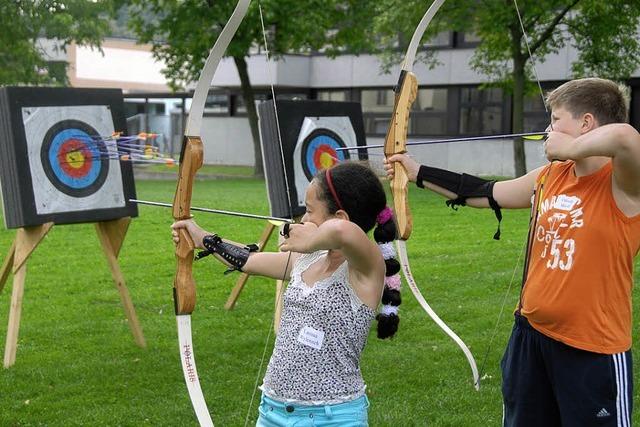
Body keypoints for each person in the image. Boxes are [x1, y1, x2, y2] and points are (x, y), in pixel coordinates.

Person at [385, 77, 640, 426]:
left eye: (555, 120)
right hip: (531, 337)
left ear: (586, 123)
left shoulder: (625, 183)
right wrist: (418, 173)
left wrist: (566, 148)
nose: (548, 130)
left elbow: (626, 137)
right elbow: (485, 192)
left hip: (591, 349)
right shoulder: (551, 175)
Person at [172, 161, 404, 427]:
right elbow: (246, 260)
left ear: (339, 216)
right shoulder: (307, 260)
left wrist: (307, 239)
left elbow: (343, 233)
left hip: (332, 417)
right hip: (273, 412)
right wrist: (201, 237)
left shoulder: (366, 268)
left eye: (309, 211)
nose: (303, 219)